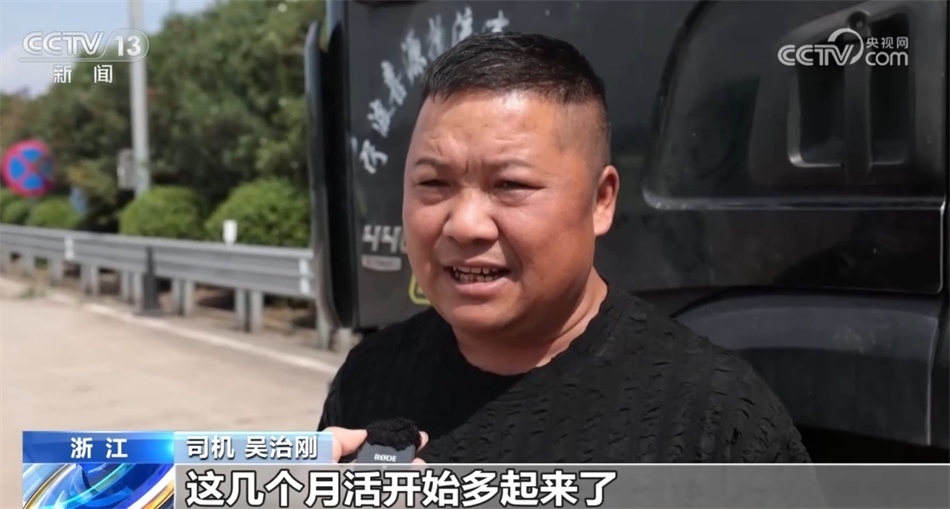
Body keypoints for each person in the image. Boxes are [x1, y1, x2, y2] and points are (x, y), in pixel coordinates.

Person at [318, 32, 811, 463]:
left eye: (510, 185)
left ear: (600, 200)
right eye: (433, 183)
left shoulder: (718, 419)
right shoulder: (369, 378)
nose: (465, 225)